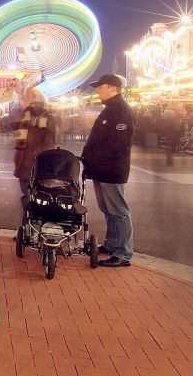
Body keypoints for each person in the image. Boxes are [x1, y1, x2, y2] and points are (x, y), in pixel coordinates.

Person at [81, 74, 136, 268]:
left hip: (111, 170)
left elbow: (117, 145)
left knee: (118, 211)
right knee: (108, 209)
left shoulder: (121, 111)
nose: (98, 90)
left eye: (100, 87)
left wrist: (93, 158)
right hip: (101, 169)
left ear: (113, 88)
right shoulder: (110, 110)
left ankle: (123, 253)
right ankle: (112, 244)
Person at [13, 88, 58, 218]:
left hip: (37, 163)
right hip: (24, 162)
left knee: (35, 196)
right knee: (27, 195)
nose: (24, 99)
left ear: (35, 99)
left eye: (27, 97)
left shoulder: (46, 116)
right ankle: (29, 226)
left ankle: (34, 225)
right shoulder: (27, 114)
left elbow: (51, 139)